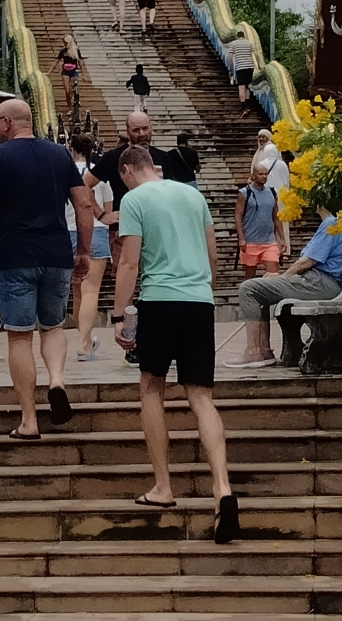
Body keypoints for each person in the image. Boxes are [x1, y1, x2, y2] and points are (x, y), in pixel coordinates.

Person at [113, 145, 240, 541]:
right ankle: (222, 489)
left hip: (159, 300)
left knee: (152, 388)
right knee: (201, 396)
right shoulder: (193, 195)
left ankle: (163, 487)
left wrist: (119, 316)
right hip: (198, 301)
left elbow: (129, 262)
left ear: (128, 170)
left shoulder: (134, 200)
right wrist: (204, 291)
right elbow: (212, 256)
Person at [0, 99, 94, 439]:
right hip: (57, 255)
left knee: (20, 335)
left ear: (8, 123)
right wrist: (83, 250)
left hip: (16, 256)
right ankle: (57, 381)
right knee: (52, 326)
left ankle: (28, 420)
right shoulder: (60, 155)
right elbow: (83, 203)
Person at [228, 207, 342, 370]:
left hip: (319, 283)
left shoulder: (332, 223)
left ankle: (253, 351)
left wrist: (282, 278)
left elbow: (306, 262)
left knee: (249, 288)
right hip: (323, 282)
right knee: (261, 289)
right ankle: (264, 352)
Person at [84, 112, 194, 283]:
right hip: (124, 231)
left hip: (159, 232)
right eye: (136, 130)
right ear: (127, 132)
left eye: (145, 128)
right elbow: (84, 184)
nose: (142, 134)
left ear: (151, 129)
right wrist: (101, 215)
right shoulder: (114, 157)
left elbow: (172, 193)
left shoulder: (163, 157)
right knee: (126, 281)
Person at [66, 134, 110, 360]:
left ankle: (84, 338)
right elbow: (108, 209)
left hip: (68, 231)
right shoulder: (99, 174)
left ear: (72, 149)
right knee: (90, 290)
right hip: (96, 229)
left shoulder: (64, 171)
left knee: (77, 293)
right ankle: (84, 343)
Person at [233, 159, 286, 286]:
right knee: (250, 276)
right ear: (253, 175)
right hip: (250, 241)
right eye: (260, 174)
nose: (264, 176)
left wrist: (282, 239)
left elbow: (276, 217)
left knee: (273, 275)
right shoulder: (244, 193)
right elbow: (238, 217)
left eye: (266, 174)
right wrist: (241, 239)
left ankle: (272, 297)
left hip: (269, 241)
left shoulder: (272, 192)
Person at [252, 130, 292, 251]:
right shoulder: (283, 164)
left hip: (266, 195)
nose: (261, 139)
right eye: (259, 137)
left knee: (268, 221)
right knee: (283, 223)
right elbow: (287, 181)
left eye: (263, 137)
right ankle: (284, 248)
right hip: (282, 195)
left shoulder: (262, 163)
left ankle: (270, 248)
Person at [50, 36, 82, 111]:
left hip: (74, 70)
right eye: (64, 43)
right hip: (65, 71)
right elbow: (57, 61)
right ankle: (69, 107)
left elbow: (80, 62)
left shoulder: (76, 50)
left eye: (65, 42)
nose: (64, 44)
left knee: (75, 87)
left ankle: (76, 99)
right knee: (67, 90)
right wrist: (49, 71)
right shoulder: (63, 51)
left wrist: (83, 73)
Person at [228, 32, 256, 115]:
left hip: (240, 67)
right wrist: (259, 65)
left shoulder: (234, 44)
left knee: (241, 87)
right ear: (244, 36)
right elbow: (256, 54)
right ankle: (248, 107)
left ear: (237, 36)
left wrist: (230, 69)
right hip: (250, 67)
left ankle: (244, 108)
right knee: (246, 86)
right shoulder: (249, 43)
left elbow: (230, 57)